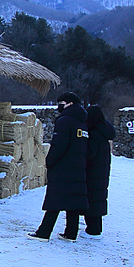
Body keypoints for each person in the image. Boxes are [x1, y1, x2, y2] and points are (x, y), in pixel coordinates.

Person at [29, 92, 89, 242]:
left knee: (54, 199)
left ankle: (44, 232)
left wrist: (50, 161)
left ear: (70, 103)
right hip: (78, 166)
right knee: (73, 200)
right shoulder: (82, 122)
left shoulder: (65, 121)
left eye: (61, 102)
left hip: (63, 167)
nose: (59, 106)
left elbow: (59, 145)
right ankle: (71, 233)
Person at [84, 105, 116, 238]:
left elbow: (89, 154)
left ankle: (93, 230)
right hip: (101, 172)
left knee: (92, 200)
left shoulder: (94, 134)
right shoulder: (104, 132)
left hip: (92, 172)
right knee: (98, 199)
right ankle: (96, 228)